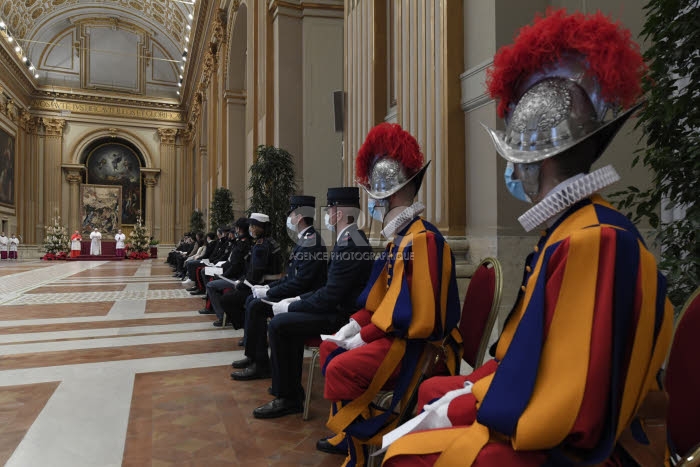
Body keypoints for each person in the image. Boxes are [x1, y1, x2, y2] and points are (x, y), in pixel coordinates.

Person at [382, 10, 674, 466]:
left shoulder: (592, 240)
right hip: (543, 411)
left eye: (517, 161)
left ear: (537, 164)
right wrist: (476, 391)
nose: (513, 173)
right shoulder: (577, 227)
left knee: (402, 454)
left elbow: (572, 402)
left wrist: (472, 403)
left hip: (569, 446)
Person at [316, 124, 462, 466]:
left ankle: (358, 450)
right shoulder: (402, 238)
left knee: (340, 366)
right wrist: (352, 327)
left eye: (375, 198)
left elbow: (414, 319)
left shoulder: (420, 240)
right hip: (396, 335)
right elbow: (379, 298)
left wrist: (363, 337)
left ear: (390, 196)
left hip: (417, 346)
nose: (373, 205)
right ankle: (352, 434)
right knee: (329, 347)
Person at [248, 187, 374, 420]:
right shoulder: (349, 239)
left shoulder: (351, 243)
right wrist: (297, 299)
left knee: (280, 324)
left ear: (337, 212)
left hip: (341, 316)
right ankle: (288, 390)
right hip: (335, 308)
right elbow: (327, 289)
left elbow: (331, 296)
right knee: (284, 323)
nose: (326, 215)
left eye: (329, 210)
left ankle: (288, 397)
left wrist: (291, 306)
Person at [231, 195, 328, 380]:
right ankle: (253, 357)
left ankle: (259, 364)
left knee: (256, 305)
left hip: (300, 296)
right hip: (294, 291)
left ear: (299, 216)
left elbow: (301, 283)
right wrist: (268, 289)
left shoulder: (312, 242)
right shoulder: (305, 239)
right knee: (253, 301)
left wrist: (270, 291)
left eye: (290, 214)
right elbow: (291, 277)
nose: (289, 219)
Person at [209, 213, 279, 327]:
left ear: (257, 227)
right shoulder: (270, 241)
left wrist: (242, 284)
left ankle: (247, 326)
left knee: (227, 300)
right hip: (264, 283)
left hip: (261, 285)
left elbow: (256, 273)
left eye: (251, 226)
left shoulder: (261, 246)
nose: (250, 229)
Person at [200, 219, 252, 317]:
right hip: (227, 270)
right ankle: (211, 303)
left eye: (235, 229)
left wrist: (223, 275)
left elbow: (236, 267)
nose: (233, 233)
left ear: (239, 229)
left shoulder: (243, 244)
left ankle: (221, 314)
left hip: (235, 277)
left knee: (211, 285)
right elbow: (229, 261)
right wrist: (218, 267)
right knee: (206, 271)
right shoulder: (238, 242)